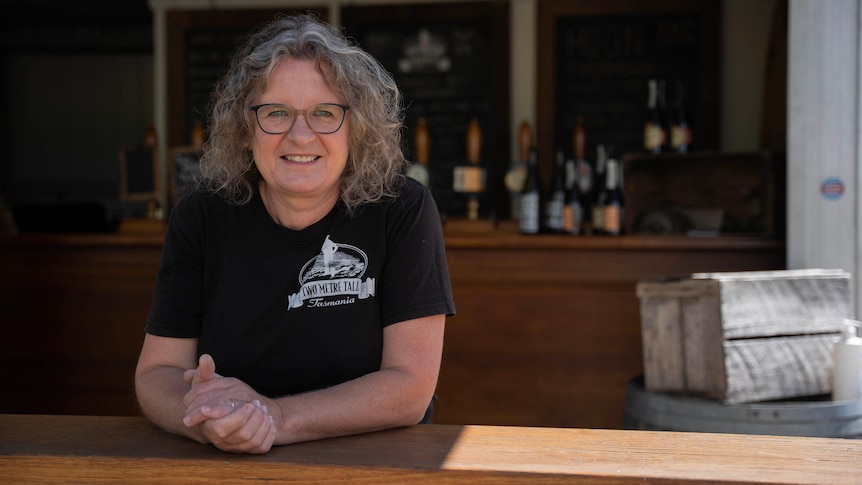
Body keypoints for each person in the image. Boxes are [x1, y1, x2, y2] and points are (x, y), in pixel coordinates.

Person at [135, 13, 455, 454]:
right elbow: (157, 374)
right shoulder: (201, 216)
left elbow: (410, 387)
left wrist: (273, 418)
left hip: (374, 464)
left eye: (325, 113)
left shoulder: (401, 210)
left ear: (355, 129)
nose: (300, 135)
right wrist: (205, 419)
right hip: (231, 466)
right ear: (245, 129)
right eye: (276, 112)